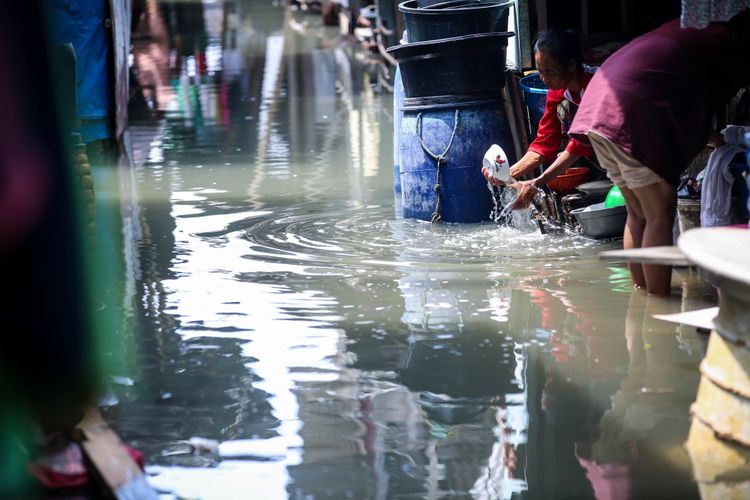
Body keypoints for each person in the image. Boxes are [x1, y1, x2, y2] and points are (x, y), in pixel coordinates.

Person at [569, 11, 750, 296]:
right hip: (626, 114)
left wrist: (717, 140)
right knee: (659, 212)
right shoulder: (726, 44)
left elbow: (686, 106)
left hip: (597, 112)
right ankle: (657, 303)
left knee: (637, 212)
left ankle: (641, 297)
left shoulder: (689, 29)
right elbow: (697, 108)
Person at [481, 29, 598, 208]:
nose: (544, 79)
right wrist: (505, 174)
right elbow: (544, 142)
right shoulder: (557, 91)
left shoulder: (595, 85)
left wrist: (536, 183)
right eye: (540, 72)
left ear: (572, 65)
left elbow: (577, 146)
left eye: (550, 72)